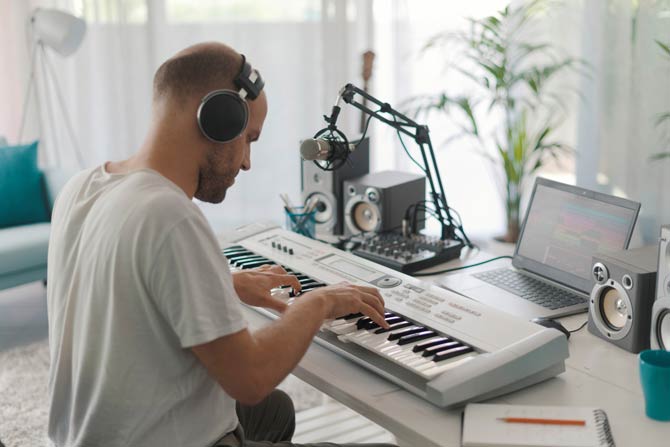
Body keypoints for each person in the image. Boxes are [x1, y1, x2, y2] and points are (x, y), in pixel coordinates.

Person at [46, 41, 396, 447]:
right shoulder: (170, 215)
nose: (246, 162)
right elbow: (251, 378)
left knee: (275, 411)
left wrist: (221, 281)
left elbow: (114, 278)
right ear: (217, 118)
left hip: (85, 437)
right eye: (248, 138)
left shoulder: (83, 186)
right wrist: (320, 303)